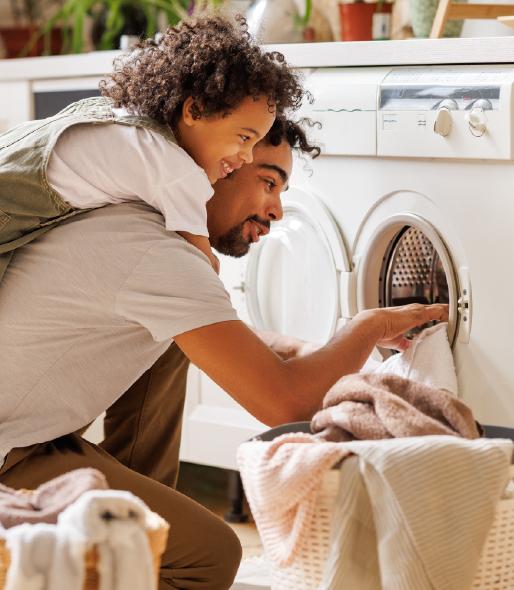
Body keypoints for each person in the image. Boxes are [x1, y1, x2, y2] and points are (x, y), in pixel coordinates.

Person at [0, 117, 447, 590]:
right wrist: (368, 325)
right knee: (210, 557)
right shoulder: (156, 254)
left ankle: (125, 544)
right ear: (223, 165)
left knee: (171, 345)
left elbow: (226, 338)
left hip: (30, 435)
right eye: (269, 182)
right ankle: (118, 556)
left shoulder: (132, 221)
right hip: (11, 456)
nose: (277, 210)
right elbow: (287, 403)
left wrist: (325, 351)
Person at [0, 14, 304, 280]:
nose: (247, 155)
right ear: (194, 110)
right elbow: (202, 269)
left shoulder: (131, 119)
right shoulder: (177, 171)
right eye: (244, 138)